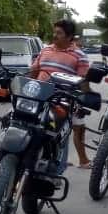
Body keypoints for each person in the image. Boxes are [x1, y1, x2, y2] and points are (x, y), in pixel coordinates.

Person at [28, 18, 92, 171]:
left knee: (67, 131)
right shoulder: (45, 50)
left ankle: (74, 162)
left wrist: (85, 99)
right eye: (54, 32)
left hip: (62, 100)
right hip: (39, 95)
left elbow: (83, 82)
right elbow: (34, 71)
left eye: (59, 33)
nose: (55, 35)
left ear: (69, 36)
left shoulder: (79, 56)